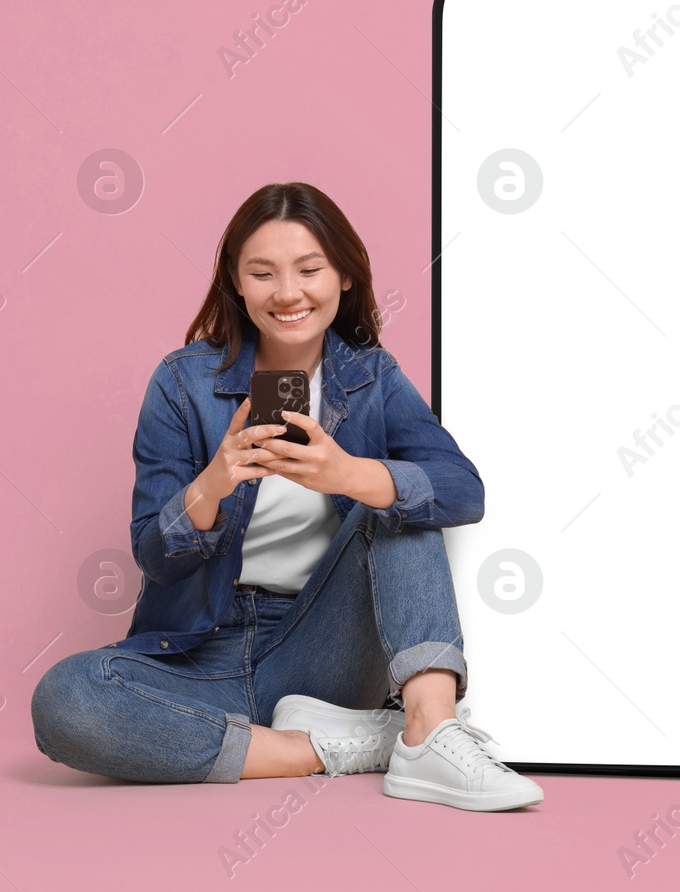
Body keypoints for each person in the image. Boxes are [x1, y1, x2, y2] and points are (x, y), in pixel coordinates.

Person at [31, 182, 542, 811]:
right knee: (68, 698)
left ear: (345, 277)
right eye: (262, 273)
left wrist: (347, 473)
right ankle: (347, 747)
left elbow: (462, 489)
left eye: (309, 269)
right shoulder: (182, 383)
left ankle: (430, 730)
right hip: (203, 650)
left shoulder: (372, 377)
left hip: (324, 647)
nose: (288, 293)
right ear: (237, 285)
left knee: (400, 505)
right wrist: (214, 482)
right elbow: (153, 556)